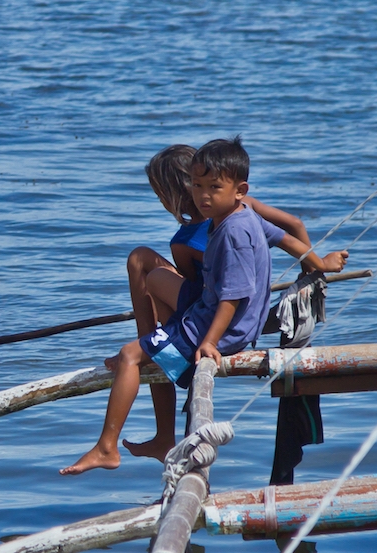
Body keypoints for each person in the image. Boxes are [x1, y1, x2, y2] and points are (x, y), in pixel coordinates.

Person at [62, 136, 287, 474]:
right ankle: (151, 355)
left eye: (210, 186)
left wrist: (209, 341)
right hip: (219, 322)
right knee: (143, 284)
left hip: (212, 327)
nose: (203, 193)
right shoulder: (241, 215)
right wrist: (318, 264)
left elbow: (231, 294)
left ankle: (107, 447)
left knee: (129, 354)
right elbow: (291, 229)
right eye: (199, 185)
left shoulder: (215, 233)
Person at [121, 144, 348, 462]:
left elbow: (207, 294)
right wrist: (313, 272)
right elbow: (293, 225)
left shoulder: (184, 242)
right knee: (150, 273)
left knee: (141, 264)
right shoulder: (246, 206)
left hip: (217, 319)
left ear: (170, 194)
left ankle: (150, 349)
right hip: (249, 315)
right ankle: (151, 348)